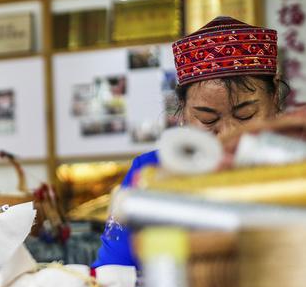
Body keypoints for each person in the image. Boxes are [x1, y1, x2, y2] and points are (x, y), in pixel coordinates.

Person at [94, 16, 284, 267]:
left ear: (275, 100)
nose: (228, 134)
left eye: (245, 116)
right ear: (183, 112)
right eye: (207, 120)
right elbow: (112, 274)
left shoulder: (295, 165)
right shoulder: (151, 174)